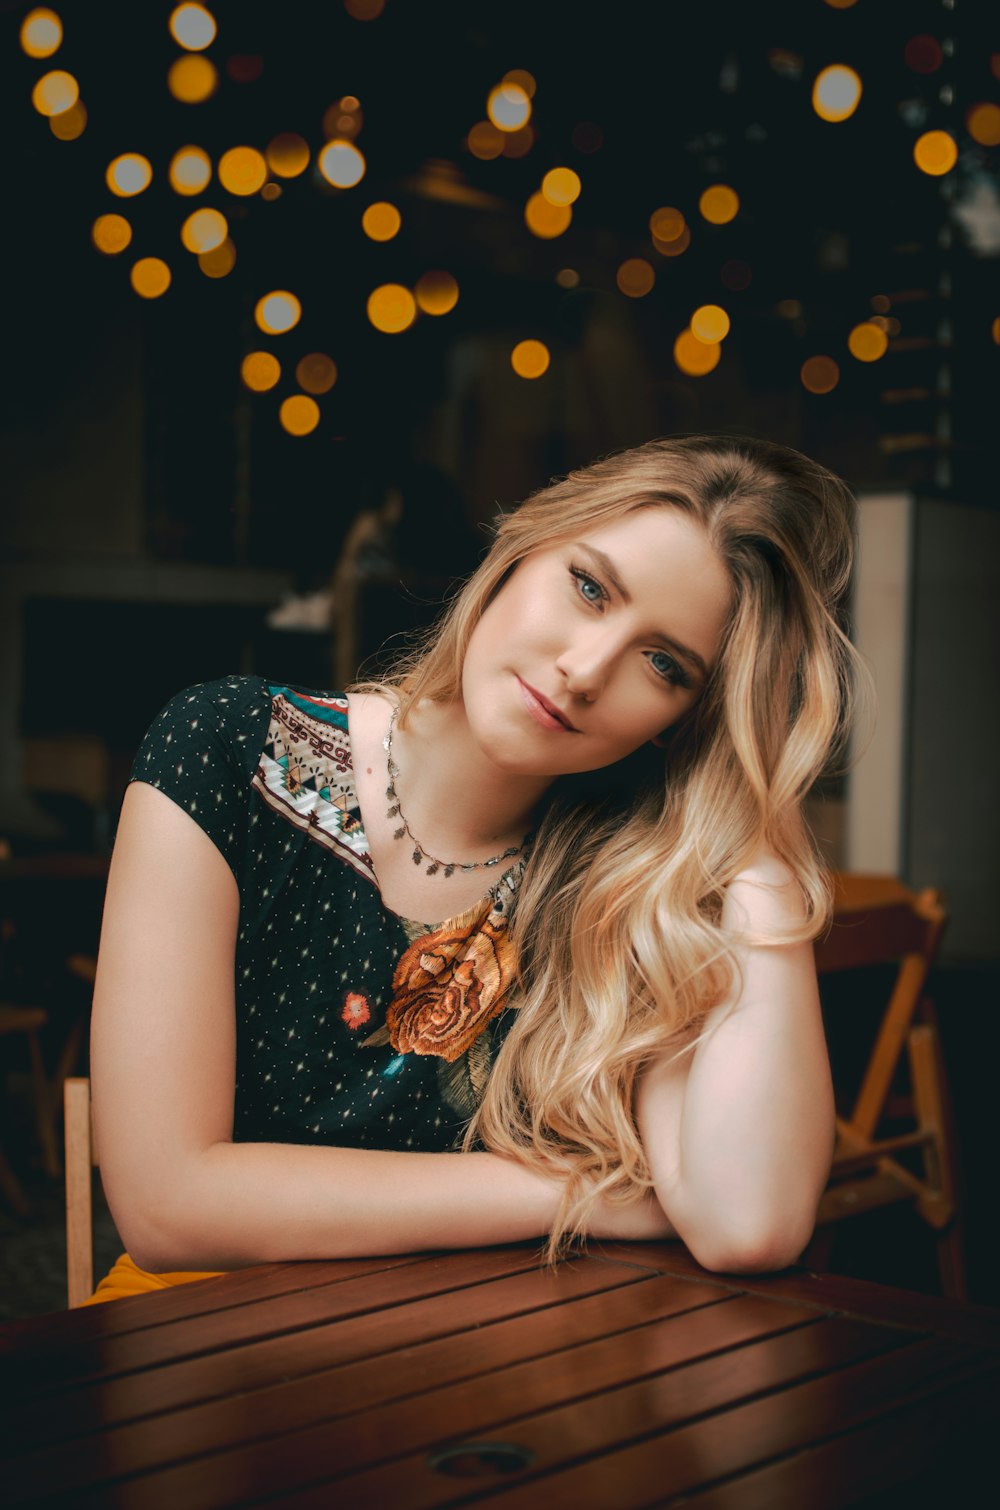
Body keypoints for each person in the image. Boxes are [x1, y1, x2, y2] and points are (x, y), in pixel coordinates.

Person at [87, 433, 864, 1302]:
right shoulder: (231, 751)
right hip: (197, 1357)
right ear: (522, 544)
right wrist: (581, 1192)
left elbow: (747, 1223)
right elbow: (166, 1208)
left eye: (663, 664)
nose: (583, 670)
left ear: (684, 721)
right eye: (589, 586)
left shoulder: (628, 888)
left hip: (487, 1376)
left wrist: (749, 793)